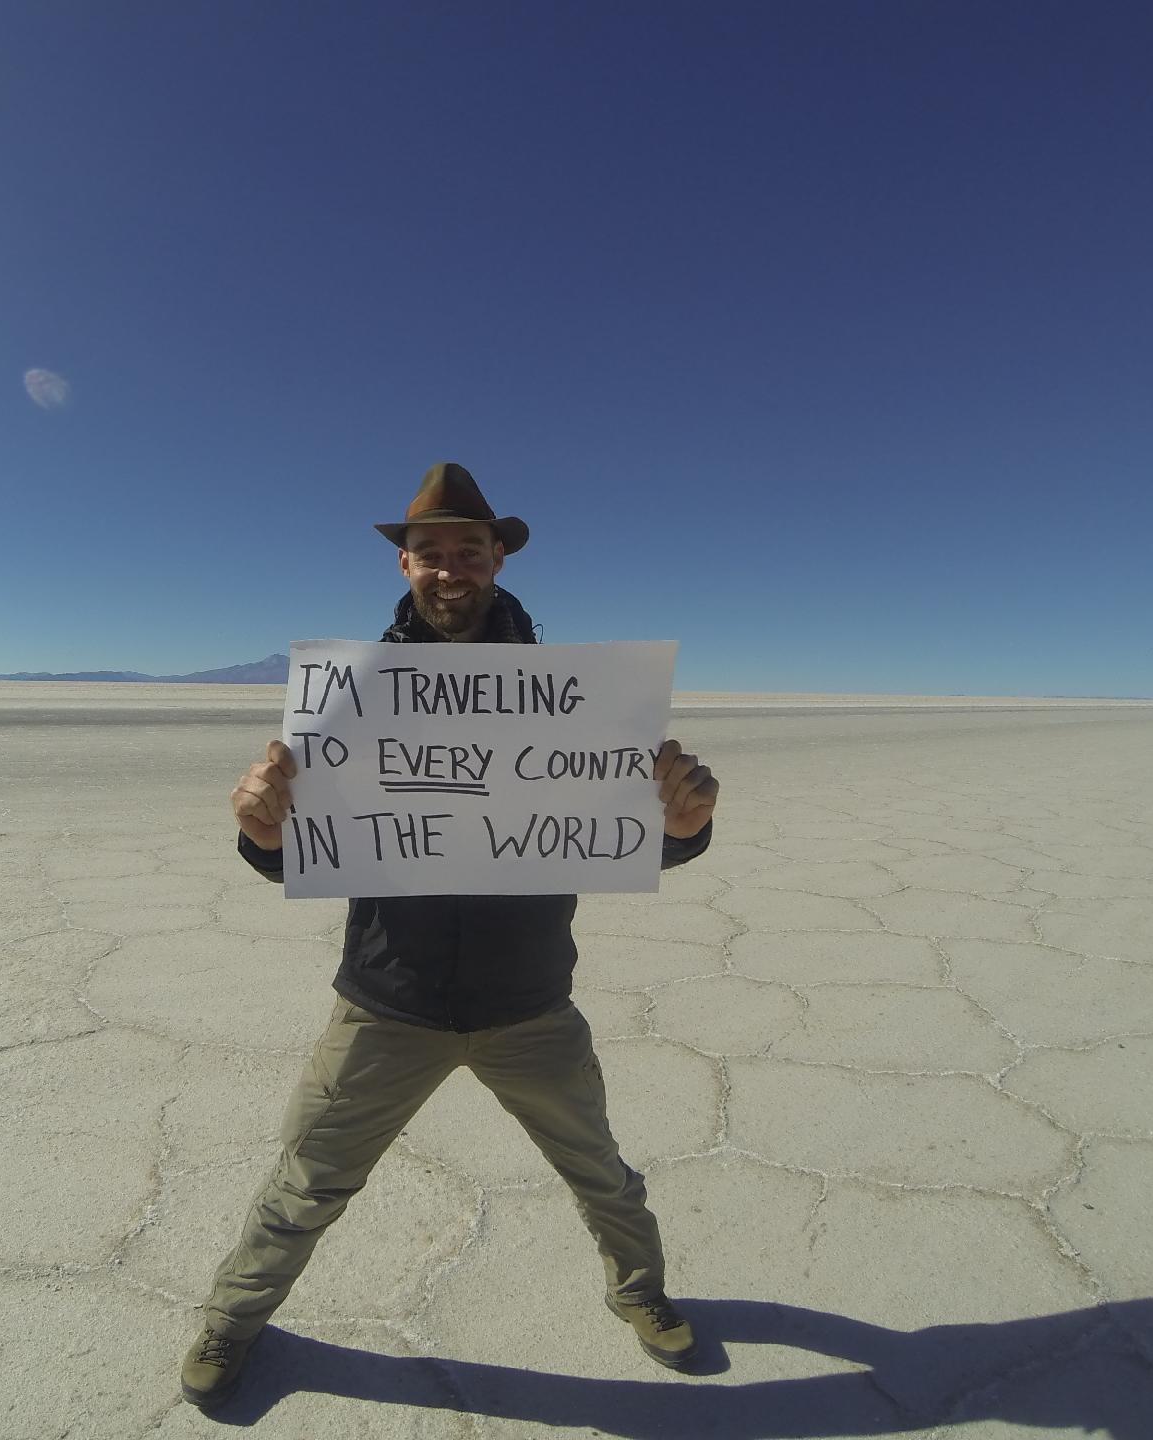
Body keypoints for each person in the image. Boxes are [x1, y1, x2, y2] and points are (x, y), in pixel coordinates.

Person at [181, 461, 720, 1409]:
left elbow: (619, 833)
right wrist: (262, 832)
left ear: (498, 557)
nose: (449, 568)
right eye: (429, 552)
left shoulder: (576, 699)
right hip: (386, 1002)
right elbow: (310, 848)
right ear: (404, 565)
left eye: (468, 550)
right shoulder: (354, 698)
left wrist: (683, 828)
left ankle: (640, 1290)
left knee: (599, 1173)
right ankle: (234, 1319)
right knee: (307, 1181)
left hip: (529, 1006)